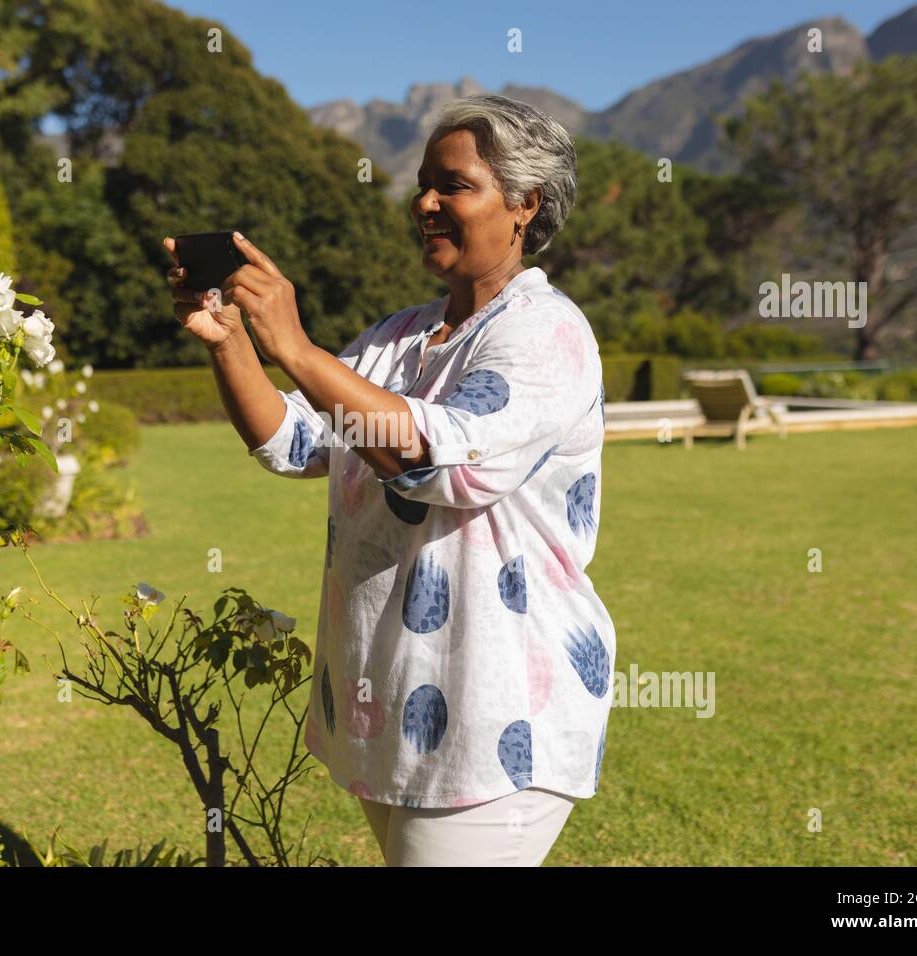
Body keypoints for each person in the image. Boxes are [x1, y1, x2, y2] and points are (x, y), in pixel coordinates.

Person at [162, 93, 614, 867]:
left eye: (454, 185)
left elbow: (440, 460)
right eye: (423, 182)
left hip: (495, 717)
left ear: (524, 205)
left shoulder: (546, 332)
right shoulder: (401, 337)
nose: (425, 202)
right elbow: (297, 439)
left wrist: (299, 350)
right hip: (395, 709)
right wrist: (232, 341)